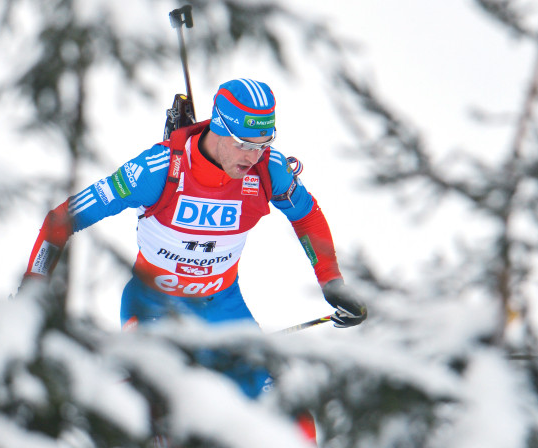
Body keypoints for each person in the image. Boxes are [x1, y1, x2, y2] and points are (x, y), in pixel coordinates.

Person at [22, 78, 367, 398]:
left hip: (224, 307)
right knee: (159, 410)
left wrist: (331, 280)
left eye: (264, 144)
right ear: (219, 127)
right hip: (154, 306)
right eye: (244, 144)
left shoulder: (268, 169)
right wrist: (33, 293)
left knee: (282, 411)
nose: (252, 156)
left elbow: (306, 215)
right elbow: (60, 221)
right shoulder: (157, 170)